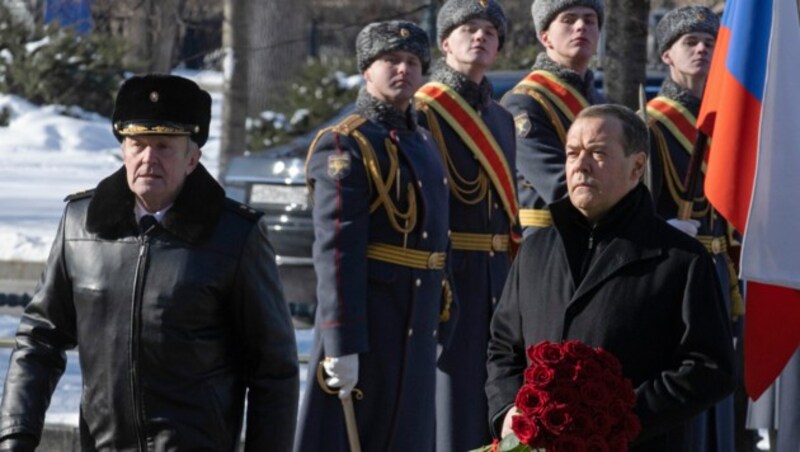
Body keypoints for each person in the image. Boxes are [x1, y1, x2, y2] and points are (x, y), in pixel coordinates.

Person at [0, 75, 299, 451]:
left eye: (164, 146)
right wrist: (16, 435)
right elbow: (39, 339)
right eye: (137, 144)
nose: (148, 159)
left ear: (192, 159)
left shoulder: (235, 236)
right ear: (123, 150)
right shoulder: (81, 224)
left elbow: (274, 370)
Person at [485, 104, 735, 451]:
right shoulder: (535, 251)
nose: (580, 165)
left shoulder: (681, 259)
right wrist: (509, 410)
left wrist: (615, 419)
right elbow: (503, 346)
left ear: (637, 167)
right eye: (572, 153)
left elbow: (710, 367)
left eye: (599, 153)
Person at [294, 21, 452, 452]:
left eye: (413, 62)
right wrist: (342, 341)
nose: (403, 70)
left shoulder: (422, 138)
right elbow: (336, 251)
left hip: (416, 318)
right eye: (391, 61)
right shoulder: (345, 145)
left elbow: (437, 238)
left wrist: (444, 308)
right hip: (371, 323)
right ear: (367, 70)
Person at [413, 1, 516, 450]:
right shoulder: (425, 109)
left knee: (497, 389)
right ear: (444, 42)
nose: (480, 37)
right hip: (453, 269)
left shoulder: (502, 117)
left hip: (500, 271)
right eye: (468, 29)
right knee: (451, 399)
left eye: (490, 31)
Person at [646, 7, 743, 451]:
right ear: (667, 55)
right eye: (690, 43)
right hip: (677, 268)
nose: (702, 49)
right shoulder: (651, 124)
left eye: (709, 42)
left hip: (720, 265)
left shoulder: (727, 123)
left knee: (722, 390)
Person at [501, 0, 606, 237]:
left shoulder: (601, 101)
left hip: (600, 234)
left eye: (590, 21)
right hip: (550, 240)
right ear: (545, 37)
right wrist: (630, 216)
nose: (581, 27)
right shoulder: (524, 101)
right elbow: (558, 184)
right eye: (569, 20)